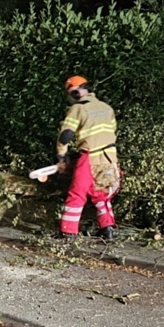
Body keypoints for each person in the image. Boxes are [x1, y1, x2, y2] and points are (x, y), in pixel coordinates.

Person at [56, 75, 120, 240]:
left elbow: (66, 135)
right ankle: (107, 229)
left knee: (77, 192)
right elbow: (111, 132)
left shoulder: (78, 108)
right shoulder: (107, 108)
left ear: (75, 93)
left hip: (90, 157)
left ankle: (68, 231)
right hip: (110, 158)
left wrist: (62, 156)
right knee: (101, 193)